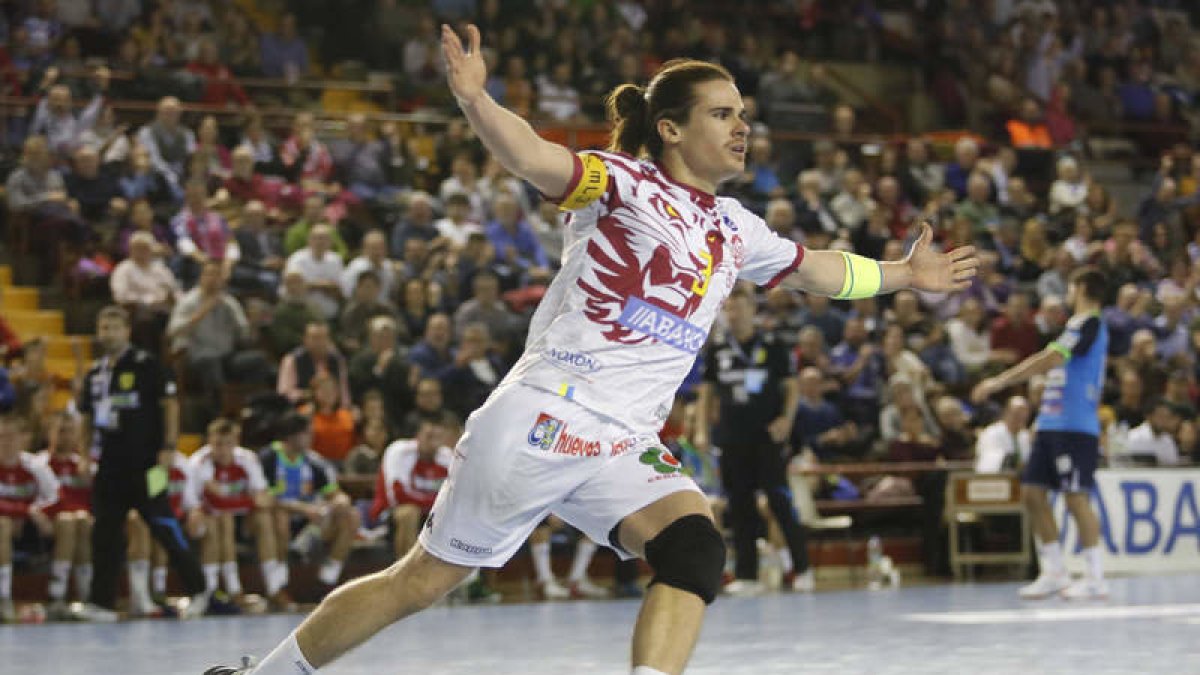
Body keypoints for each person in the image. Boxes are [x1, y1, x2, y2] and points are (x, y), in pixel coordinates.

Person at [206, 25, 976, 675]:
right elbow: (532, 156)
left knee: (694, 550)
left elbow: (817, 268)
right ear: (670, 128)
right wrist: (477, 101)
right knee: (423, 579)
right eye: (721, 113)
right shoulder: (621, 184)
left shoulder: (735, 226)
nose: (741, 126)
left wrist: (905, 274)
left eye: (743, 114)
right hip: (549, 414)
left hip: (622, 438)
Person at [972, 267, 1109, 601]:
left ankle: (1095, 577)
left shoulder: (1090, 323)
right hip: (1051, 424)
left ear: (1081, 288)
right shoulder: (1074, 324)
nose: (1067, 293)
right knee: (1033, 493)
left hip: (1074, 426)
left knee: (1075, 497)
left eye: (1071, 286)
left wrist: (1000, 381)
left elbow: (1051, 358)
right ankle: (1054, 571)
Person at [73, 306, 209, 622]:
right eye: (103, 327)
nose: (108, 333)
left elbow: (169, 405)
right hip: (109, 466)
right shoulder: (96, 373)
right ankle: (101, 603)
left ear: (127, 331)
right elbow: (86, 418)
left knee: (163, 523)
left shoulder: (146, 365)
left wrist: (169, 447)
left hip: (149, 464)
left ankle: (199, 590)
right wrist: (84, 454)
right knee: (105, 532)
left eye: (114, 327)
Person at [695, 289, 813, 595]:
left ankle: (802, 569)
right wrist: (702, 430)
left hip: (767, 437)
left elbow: (791, 387)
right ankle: (747, 576)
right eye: (729, 309)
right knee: (740, 505)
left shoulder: (773, 344)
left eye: (739, 308)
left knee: (779, 501)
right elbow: (706, 392)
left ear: (752, 310)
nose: (734, 315)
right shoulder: (718, 348)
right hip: (732, 438)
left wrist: (786, 419)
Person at [186, 419, 281, 612]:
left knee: (264, 518)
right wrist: (249, 500)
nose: (222, 450)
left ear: (236, 441)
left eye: (228, 444)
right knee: (222, 519)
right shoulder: (199, 462)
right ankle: (216, 591)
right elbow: (215, 502)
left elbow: (264, 498)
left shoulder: (248, 459)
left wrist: (246, 501)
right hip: (200, 518)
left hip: (239, 517)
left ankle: (274, 588)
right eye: (217, 444)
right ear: (209, 442)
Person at [258, 413, 359, 594]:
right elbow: (263, 498)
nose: (312, 437)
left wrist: (339, 501)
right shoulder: (268, 458)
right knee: (279, 517)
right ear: (291, 435)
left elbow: (334, 493)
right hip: (279, 519)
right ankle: (279, 584)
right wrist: (302, 508)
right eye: (307, 433)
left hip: (311, 522)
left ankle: (327, 581)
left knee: (351, 515)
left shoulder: (314, 460)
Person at [0, 412, 59, 622]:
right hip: (6, 527)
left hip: (32, 530)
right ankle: (4, 598)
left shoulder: (35, 466)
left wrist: (36, 513)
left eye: (11, 436)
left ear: (23, 438)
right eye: (2, 436)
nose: (6, 441)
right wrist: (26, 511)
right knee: (2, 525)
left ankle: (59, 596)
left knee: (70, 522)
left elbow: (57, 498)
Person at [36, 411, 94, 619]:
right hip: (47, 522)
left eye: (70, 431)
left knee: (81, 521)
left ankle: (87, 596)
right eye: (61, 431)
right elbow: (34, 498)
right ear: (49, 434)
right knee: (69, 521)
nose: (66, 436)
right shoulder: (38, 463)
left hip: (82, 521)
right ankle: (57, 597)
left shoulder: (85, 465)